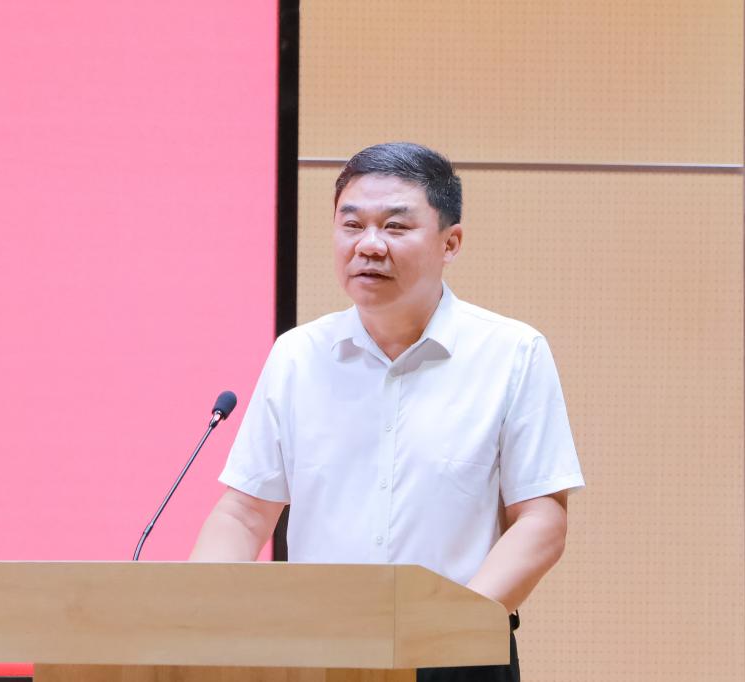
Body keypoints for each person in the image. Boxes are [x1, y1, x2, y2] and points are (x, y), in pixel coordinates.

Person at [191, 142, 584, 681]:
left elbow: (541, 521)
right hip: (317, 653)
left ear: (450, 243)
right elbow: (243, 514)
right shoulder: (298, 356)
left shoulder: (512, 353)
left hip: (457, 652)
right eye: (352, 225)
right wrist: (196, 621)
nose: (369, 245)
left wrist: (449, 627)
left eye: (395, 227)